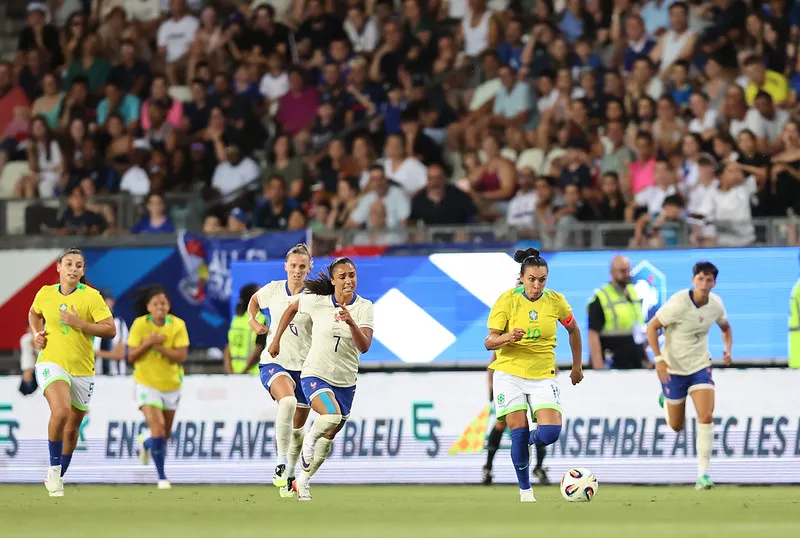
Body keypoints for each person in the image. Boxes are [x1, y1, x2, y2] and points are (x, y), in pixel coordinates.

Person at [267, 257, 374, 502]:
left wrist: (351, 321)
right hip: (315, 374)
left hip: (346, 381)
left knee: (330, 436)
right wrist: (276, 340)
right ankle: (308, 441)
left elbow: (364, 346)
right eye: (343, 276)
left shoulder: (364, 307)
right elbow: (291, 308)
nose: (349, 280)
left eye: (352, 275)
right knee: (331, 416)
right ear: (334, 280)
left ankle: (303, 481)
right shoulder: (317, 301)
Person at [484, 247, 583, 503]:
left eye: (542, 280)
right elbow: (489, 342)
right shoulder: (507, 300)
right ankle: (526, 490)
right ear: (522, 277)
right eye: (532, 279)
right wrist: (508, 337)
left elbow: (573, 330)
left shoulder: (556, 301)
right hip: (509, 372)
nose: (537, 285)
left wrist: (576, 366)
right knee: (517, 427)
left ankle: (522, 442)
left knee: (549, 433)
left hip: (543, 374)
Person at [28, 247, 116, 497]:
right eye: (68, 264)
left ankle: (57, 475)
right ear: (58, 267)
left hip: (82, 368)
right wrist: (36, 334)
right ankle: (54, 468)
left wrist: (79, 323)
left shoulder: (91, 297)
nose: (73, 268)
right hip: (51, 362)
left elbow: (110, 330)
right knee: (61, 410)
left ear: (83, 270)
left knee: (72, 427)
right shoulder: (45, 293)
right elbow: (34, 313)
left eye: (78, 265)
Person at [646, 261, 733, 490]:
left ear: (714, 283)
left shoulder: (716, 305)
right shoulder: (678, 303)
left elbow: (726, 327)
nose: (704, 284)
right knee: (676, 426)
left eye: (709, 280)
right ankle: (665, 400)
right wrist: (659, 359)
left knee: (706, 416)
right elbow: (651, 327)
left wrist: (727, 349)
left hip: (700, 366)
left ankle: (703, 475)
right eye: (700, 279)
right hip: (673, 368)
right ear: (693, 280)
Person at [247, 244, 314, 497]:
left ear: (310, 267)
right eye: (293, 266)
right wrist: (253, 321)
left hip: (306, 367)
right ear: (285, 266)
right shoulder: (274, 289)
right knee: (286, 402)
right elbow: (254, 301)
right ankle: (280, 463)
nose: (297, 271)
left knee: (298, 432)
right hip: (275, 360)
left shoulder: (315, 296)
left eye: (302, 266)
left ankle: (290, 476)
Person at [128, 285, 190, 490]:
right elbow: (131, 356)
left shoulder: (177, 325)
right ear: (148, 307)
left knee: (163, 435)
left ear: (169, 306)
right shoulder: (140, 325)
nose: (160, 307)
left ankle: (146, 444)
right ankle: (162, 477)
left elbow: (181, 357)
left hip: (172, 384)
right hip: (146, 383)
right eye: (155, 304)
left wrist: (157, 346)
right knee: (158, 428)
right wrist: (148, 343)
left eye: (163, 303)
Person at [482, 351, 549, 486]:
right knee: (501, 423)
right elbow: (492, 364)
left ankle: (539, 467)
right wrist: (492, 387)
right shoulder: (510, 338)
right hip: (511, 383)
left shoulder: (536, 340)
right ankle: (488, 468)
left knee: (542, 422)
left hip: (533, 383)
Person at [587, 256, 650, 370]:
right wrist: (598, 367)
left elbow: (638, 331)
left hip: (635, 361)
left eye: (628, 270)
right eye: (622, 271)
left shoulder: (633, 293)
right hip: (613, 363)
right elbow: (593, 335)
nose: (626, 274)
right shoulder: (601, 298)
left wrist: (646, 360)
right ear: (612, 272)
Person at [224, 283, 263, 376]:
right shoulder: (260, 319)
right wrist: (243, 373)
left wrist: (230, 372)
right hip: (253, 374)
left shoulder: (236, 319)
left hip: (234, 372)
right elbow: (258, 350)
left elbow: (228, 348)